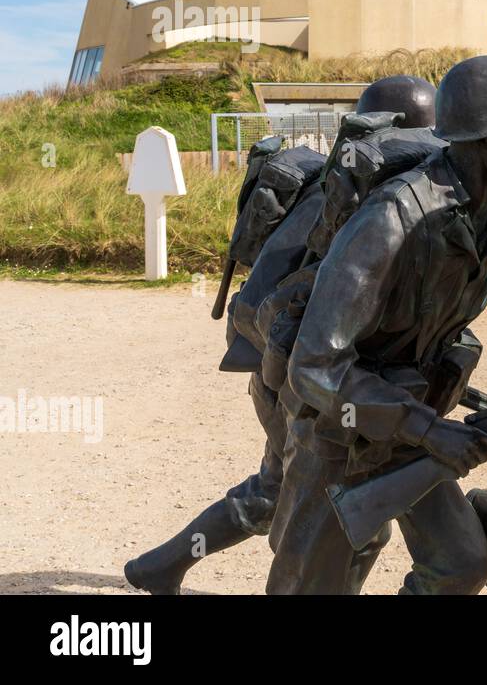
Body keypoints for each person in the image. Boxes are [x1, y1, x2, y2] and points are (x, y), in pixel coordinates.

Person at [264, 56, 487, 595]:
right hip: (341, 434)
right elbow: (314, 363)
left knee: (461, 564)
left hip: (417, 425)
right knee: (308, 588)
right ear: (484, 141)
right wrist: (427, 429)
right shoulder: (393, 216)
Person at [123, 75, 439, 595]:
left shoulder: (366, 191)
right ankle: (173, 568)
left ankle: (160, 567)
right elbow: (271, 300)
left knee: (292, 492)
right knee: (344, 508)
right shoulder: (339, 198)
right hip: (291, 372)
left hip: (293, 369)